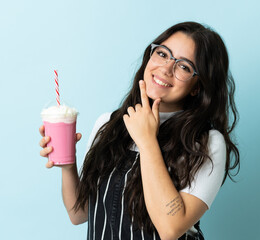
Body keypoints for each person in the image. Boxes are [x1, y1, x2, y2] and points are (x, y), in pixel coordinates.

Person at [39, 21, 240, 240]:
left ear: (197, 87)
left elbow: (170, 229)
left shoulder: (207, 143)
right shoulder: (108, 124)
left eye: (184, 66)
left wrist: (147, 141)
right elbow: (79, 213)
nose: (166, 68)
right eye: (163, 54)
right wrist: (68, 165)